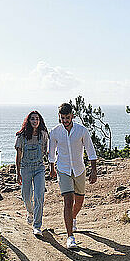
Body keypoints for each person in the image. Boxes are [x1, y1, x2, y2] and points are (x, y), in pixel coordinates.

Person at [48, 103, 97, 249]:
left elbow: (90, 150)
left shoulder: (82, 130)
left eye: (67, 117)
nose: (65, 121)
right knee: (68, 201)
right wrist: (52, 168)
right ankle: (70, 237)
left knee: (79, 201)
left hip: (79, 170)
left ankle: (73, 217)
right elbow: (51, 152)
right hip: (63, 170)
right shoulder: (55, 132)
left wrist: (93, 170)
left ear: (72, 116)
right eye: (62, 118)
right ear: (59, 117)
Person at [15, 110, 49, 236]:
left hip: (39, 168)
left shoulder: (44, 134)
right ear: (28, 121)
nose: (35, 121)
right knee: (26, 196)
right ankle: (30, 212)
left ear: (40, 121)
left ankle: (37, 226)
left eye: (37, 119)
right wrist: (18, 173)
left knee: (39, 197)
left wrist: (52, 165)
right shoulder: (21, 136)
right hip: (26, 168)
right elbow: (18, 156)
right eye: (33, 119)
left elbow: (47, 151)